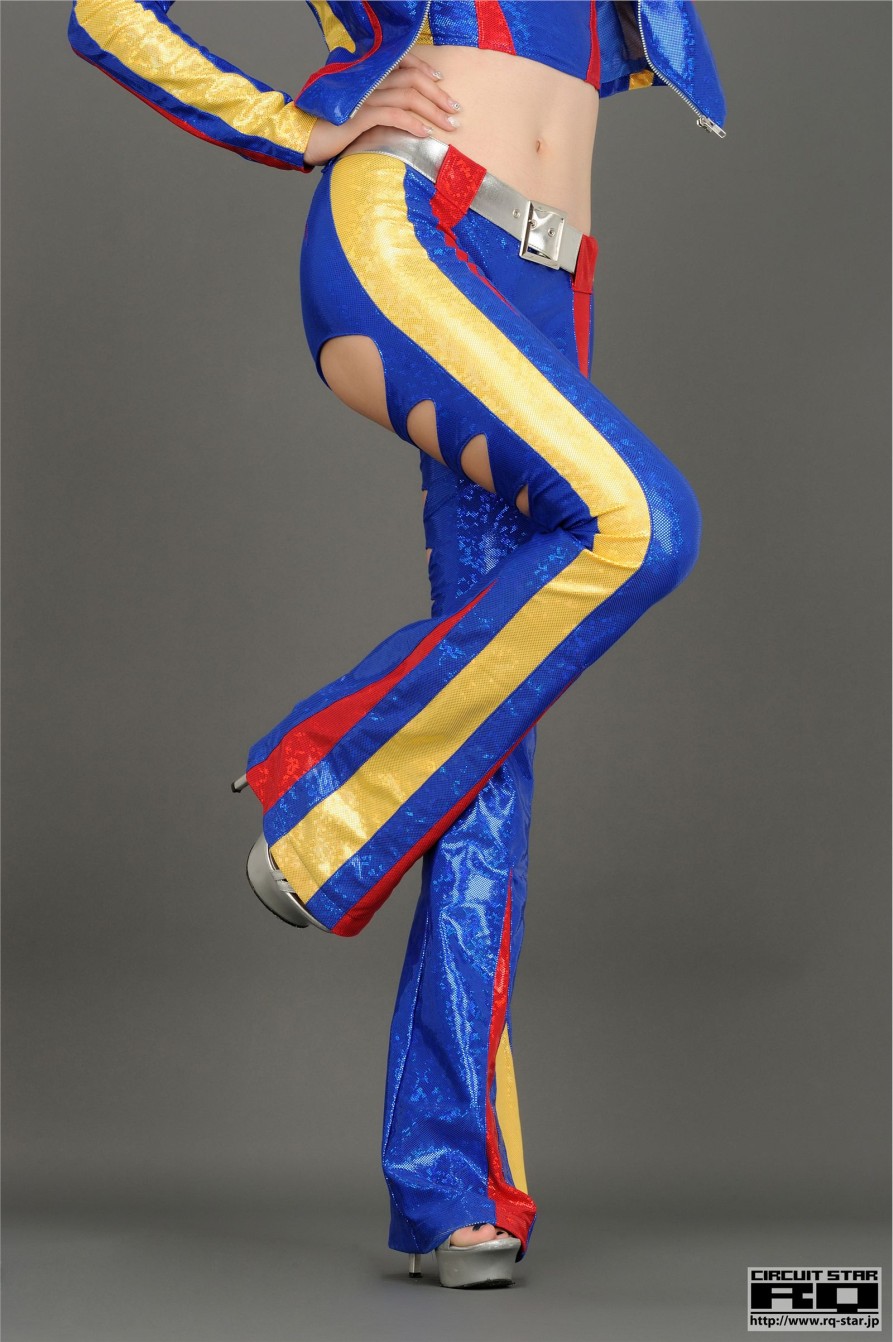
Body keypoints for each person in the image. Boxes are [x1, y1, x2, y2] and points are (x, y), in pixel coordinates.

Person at [68, 0, 726, 1289]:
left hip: (552, 280)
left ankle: (449, 1189)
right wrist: (288, 123)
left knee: (489, 732)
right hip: (414, 226)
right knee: (641, 526)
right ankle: (325, 791)